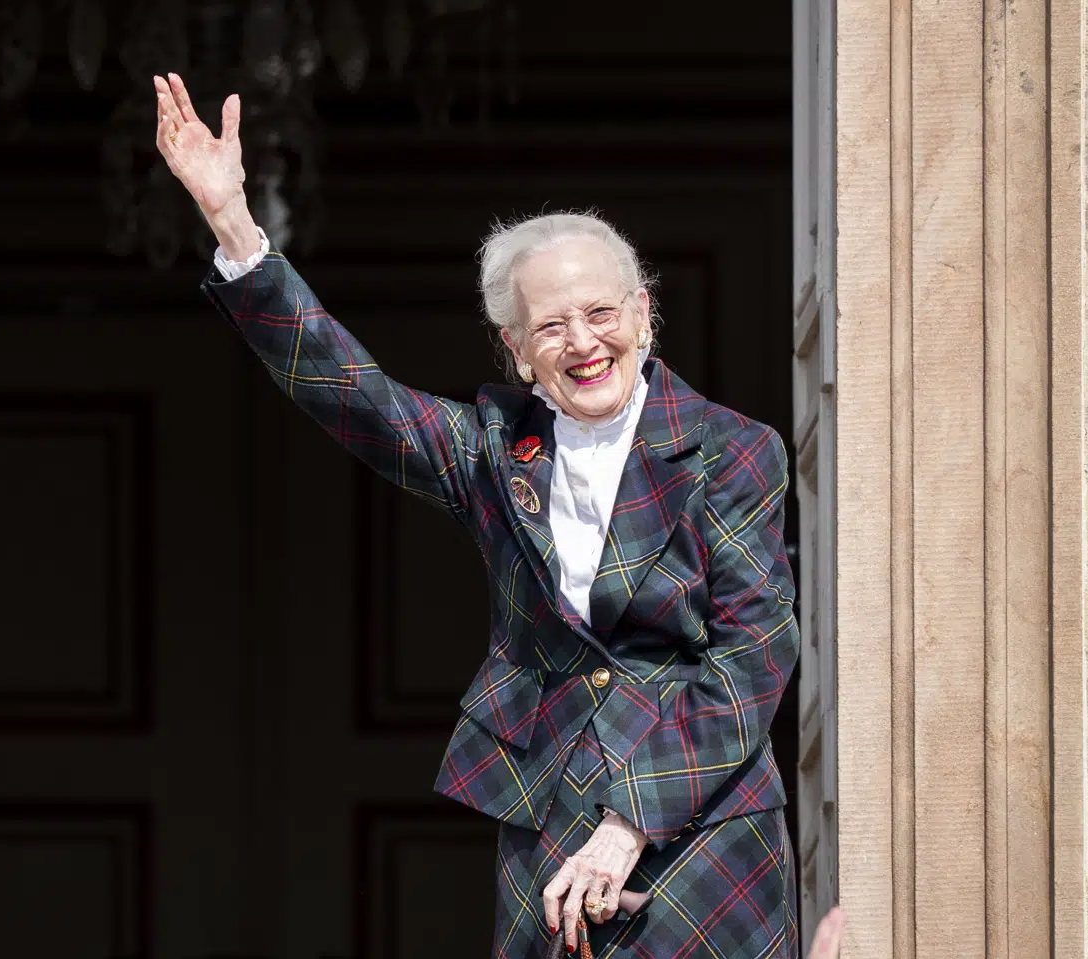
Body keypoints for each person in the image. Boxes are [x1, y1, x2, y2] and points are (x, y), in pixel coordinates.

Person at [153, 73, 801, 958]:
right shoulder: (493, 450)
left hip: (705, 823)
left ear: (643, 315)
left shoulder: (733, 451)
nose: (584, 343)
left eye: (602, 313)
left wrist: (631, 823)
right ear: (517, 349)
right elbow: (359, 399)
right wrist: (235, 224)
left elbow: (753, 656)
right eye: (552, 326)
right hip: (550, 814)